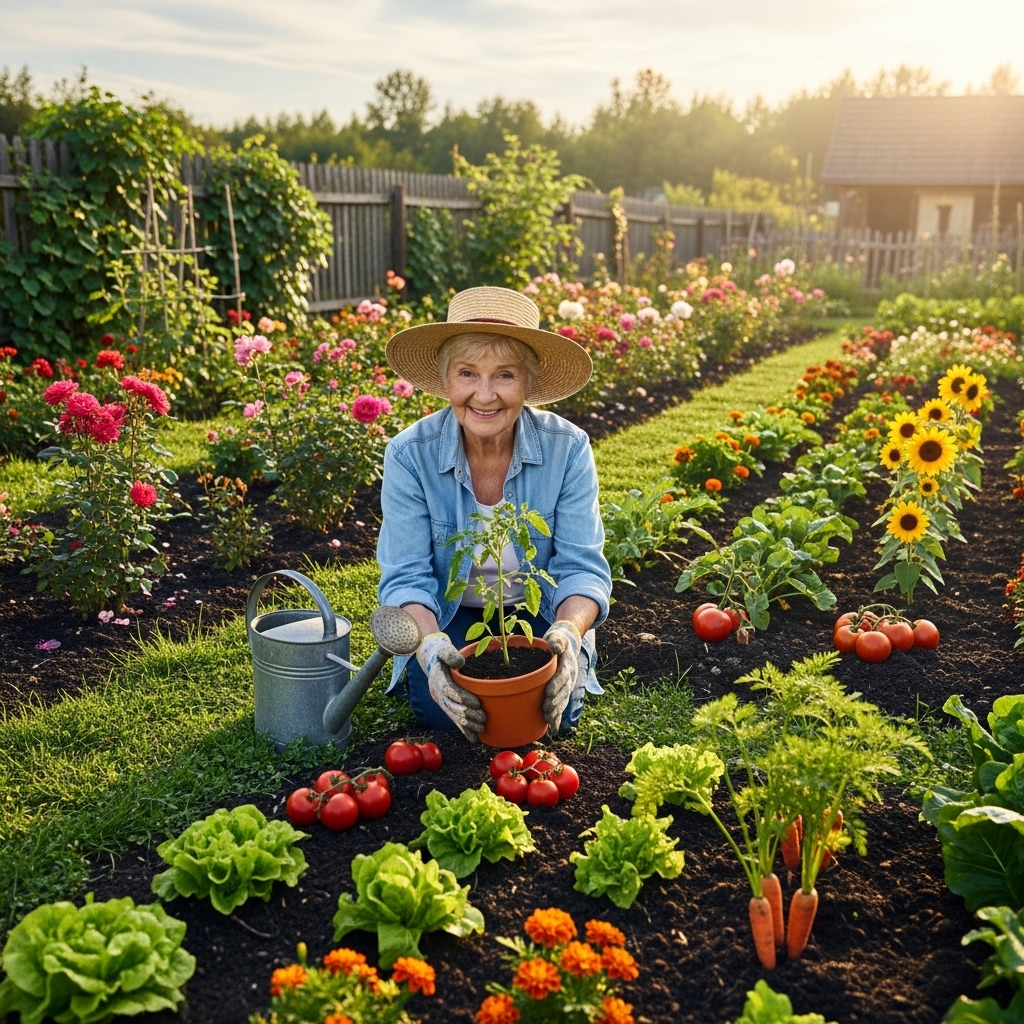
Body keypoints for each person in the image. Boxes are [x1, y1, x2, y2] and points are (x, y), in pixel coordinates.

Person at [377, 285, 612, 742]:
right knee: (439, 711)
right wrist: (430, 647)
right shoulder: (409, 455)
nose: (484, 395)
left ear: (528, 384)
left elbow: (582, 569)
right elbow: (406, 576)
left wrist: (567, 631)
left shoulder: (568, 449)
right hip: (452, 617)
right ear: (445, 379)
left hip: (539, 614)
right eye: (467, 373)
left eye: (504, 375)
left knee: (557, 711)